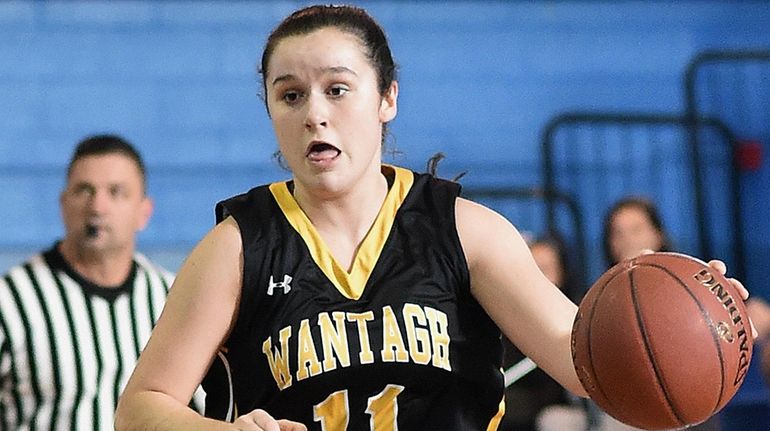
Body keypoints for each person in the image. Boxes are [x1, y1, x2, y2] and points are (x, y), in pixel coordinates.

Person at [114, 5, 750, 430]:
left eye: (338, 88)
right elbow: (141, 408)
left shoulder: (465, 231)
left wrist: (694, 322)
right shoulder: (236, 247)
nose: (314, 113)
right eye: (290, 95)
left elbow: (583, 362)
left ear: (387, 98)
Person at [0, 134, 201, 430]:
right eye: (84, 190)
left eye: (116, 192)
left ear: (144, 212)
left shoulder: (173, 298)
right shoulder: (11, 299)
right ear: (63, 203)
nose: (98, 207)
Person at [499, 234, 582, 431]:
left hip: (551, 410)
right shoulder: (501, 320)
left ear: (562, 274)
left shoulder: (576, 320)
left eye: (544, 270)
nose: (537, 281)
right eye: (531, 271)